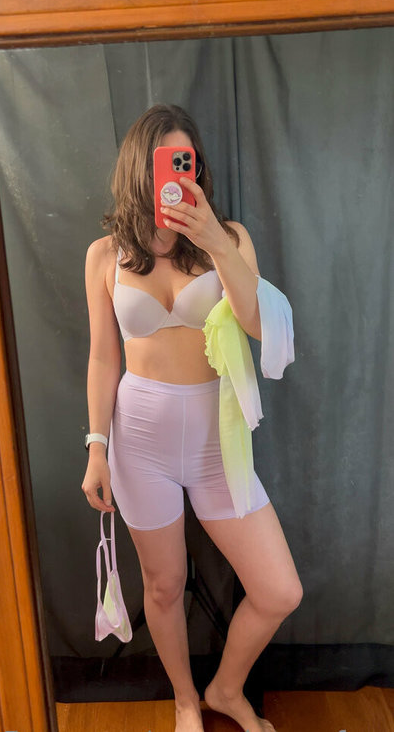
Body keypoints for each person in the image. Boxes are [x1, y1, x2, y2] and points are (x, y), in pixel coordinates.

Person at [82, 104, 303, 732]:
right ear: (140, 168)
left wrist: (213, 240)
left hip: (216, 441)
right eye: (167, 164)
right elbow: (103, 357)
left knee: (279, 590)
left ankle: (225, 690)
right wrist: (96, 446)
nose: (181, 175)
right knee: (163, 584)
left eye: (189, 162)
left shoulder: (228, 238)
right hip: (139, 441)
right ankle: (185, 701)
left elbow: (258, 324)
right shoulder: (105, 255)